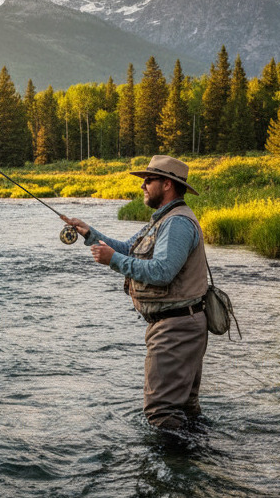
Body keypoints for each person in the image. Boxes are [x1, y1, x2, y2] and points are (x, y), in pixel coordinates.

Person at [60, 155, 209, 432]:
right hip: (179, 325)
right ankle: (196, 463)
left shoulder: (176, 223)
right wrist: (89, 233)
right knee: (184, 410)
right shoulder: (164, 219)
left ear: (167, 185)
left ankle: (173, 469)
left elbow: (163, 271)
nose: (143, 186)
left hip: (176, 329)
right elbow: (129, 248)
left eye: (148, 180)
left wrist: (112, 260)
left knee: (160, 411)